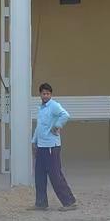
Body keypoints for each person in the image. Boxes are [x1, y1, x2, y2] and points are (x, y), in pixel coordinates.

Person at [30, 82, 77, 211]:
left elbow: (65, 115)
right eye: (43, 93)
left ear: (51, 94)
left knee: (55, 175)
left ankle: (69, 202)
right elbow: (39, 127)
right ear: (40, 94)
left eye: (48, 93)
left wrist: (57, 126)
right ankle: (41, 203)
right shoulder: (41, 108)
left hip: (51, 146)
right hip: (41, 146)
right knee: (39, 176)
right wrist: (34, 141)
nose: (45, 96)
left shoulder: (54, 106)